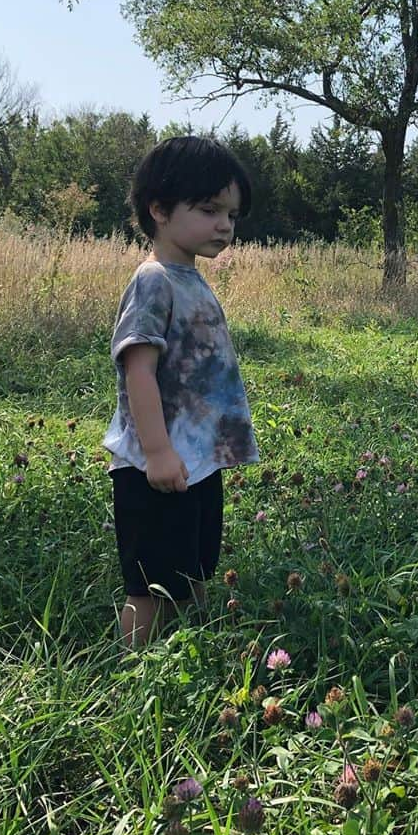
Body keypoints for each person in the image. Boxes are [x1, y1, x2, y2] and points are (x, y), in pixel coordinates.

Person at [103, 135, 259, 648]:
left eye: (232, 215)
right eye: (210, 209)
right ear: (160, 210)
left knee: (191, 569)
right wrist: (158, 452)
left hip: (195, 462)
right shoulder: (153, 280)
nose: (225, 225)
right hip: (156, 466)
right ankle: (133, 669)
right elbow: (138, 370)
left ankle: (193, 652)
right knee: (149, 583)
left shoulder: (191, 278)